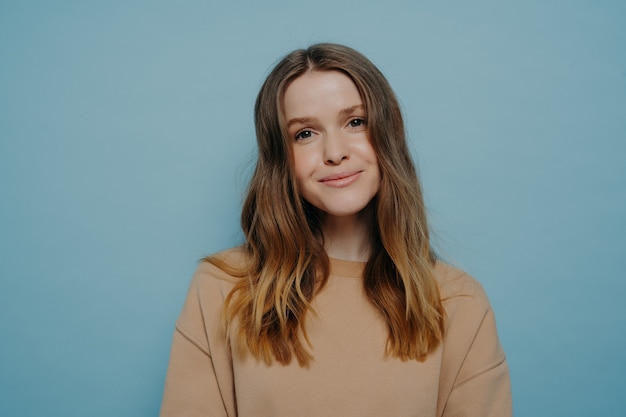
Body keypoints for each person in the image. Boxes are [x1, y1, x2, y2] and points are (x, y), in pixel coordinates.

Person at [159, 43, 512, 417]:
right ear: (281, 159)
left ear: (388, 135)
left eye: (355, 122)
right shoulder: (222, 288)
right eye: (305, 134)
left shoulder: (457, 301)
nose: (334, 152)